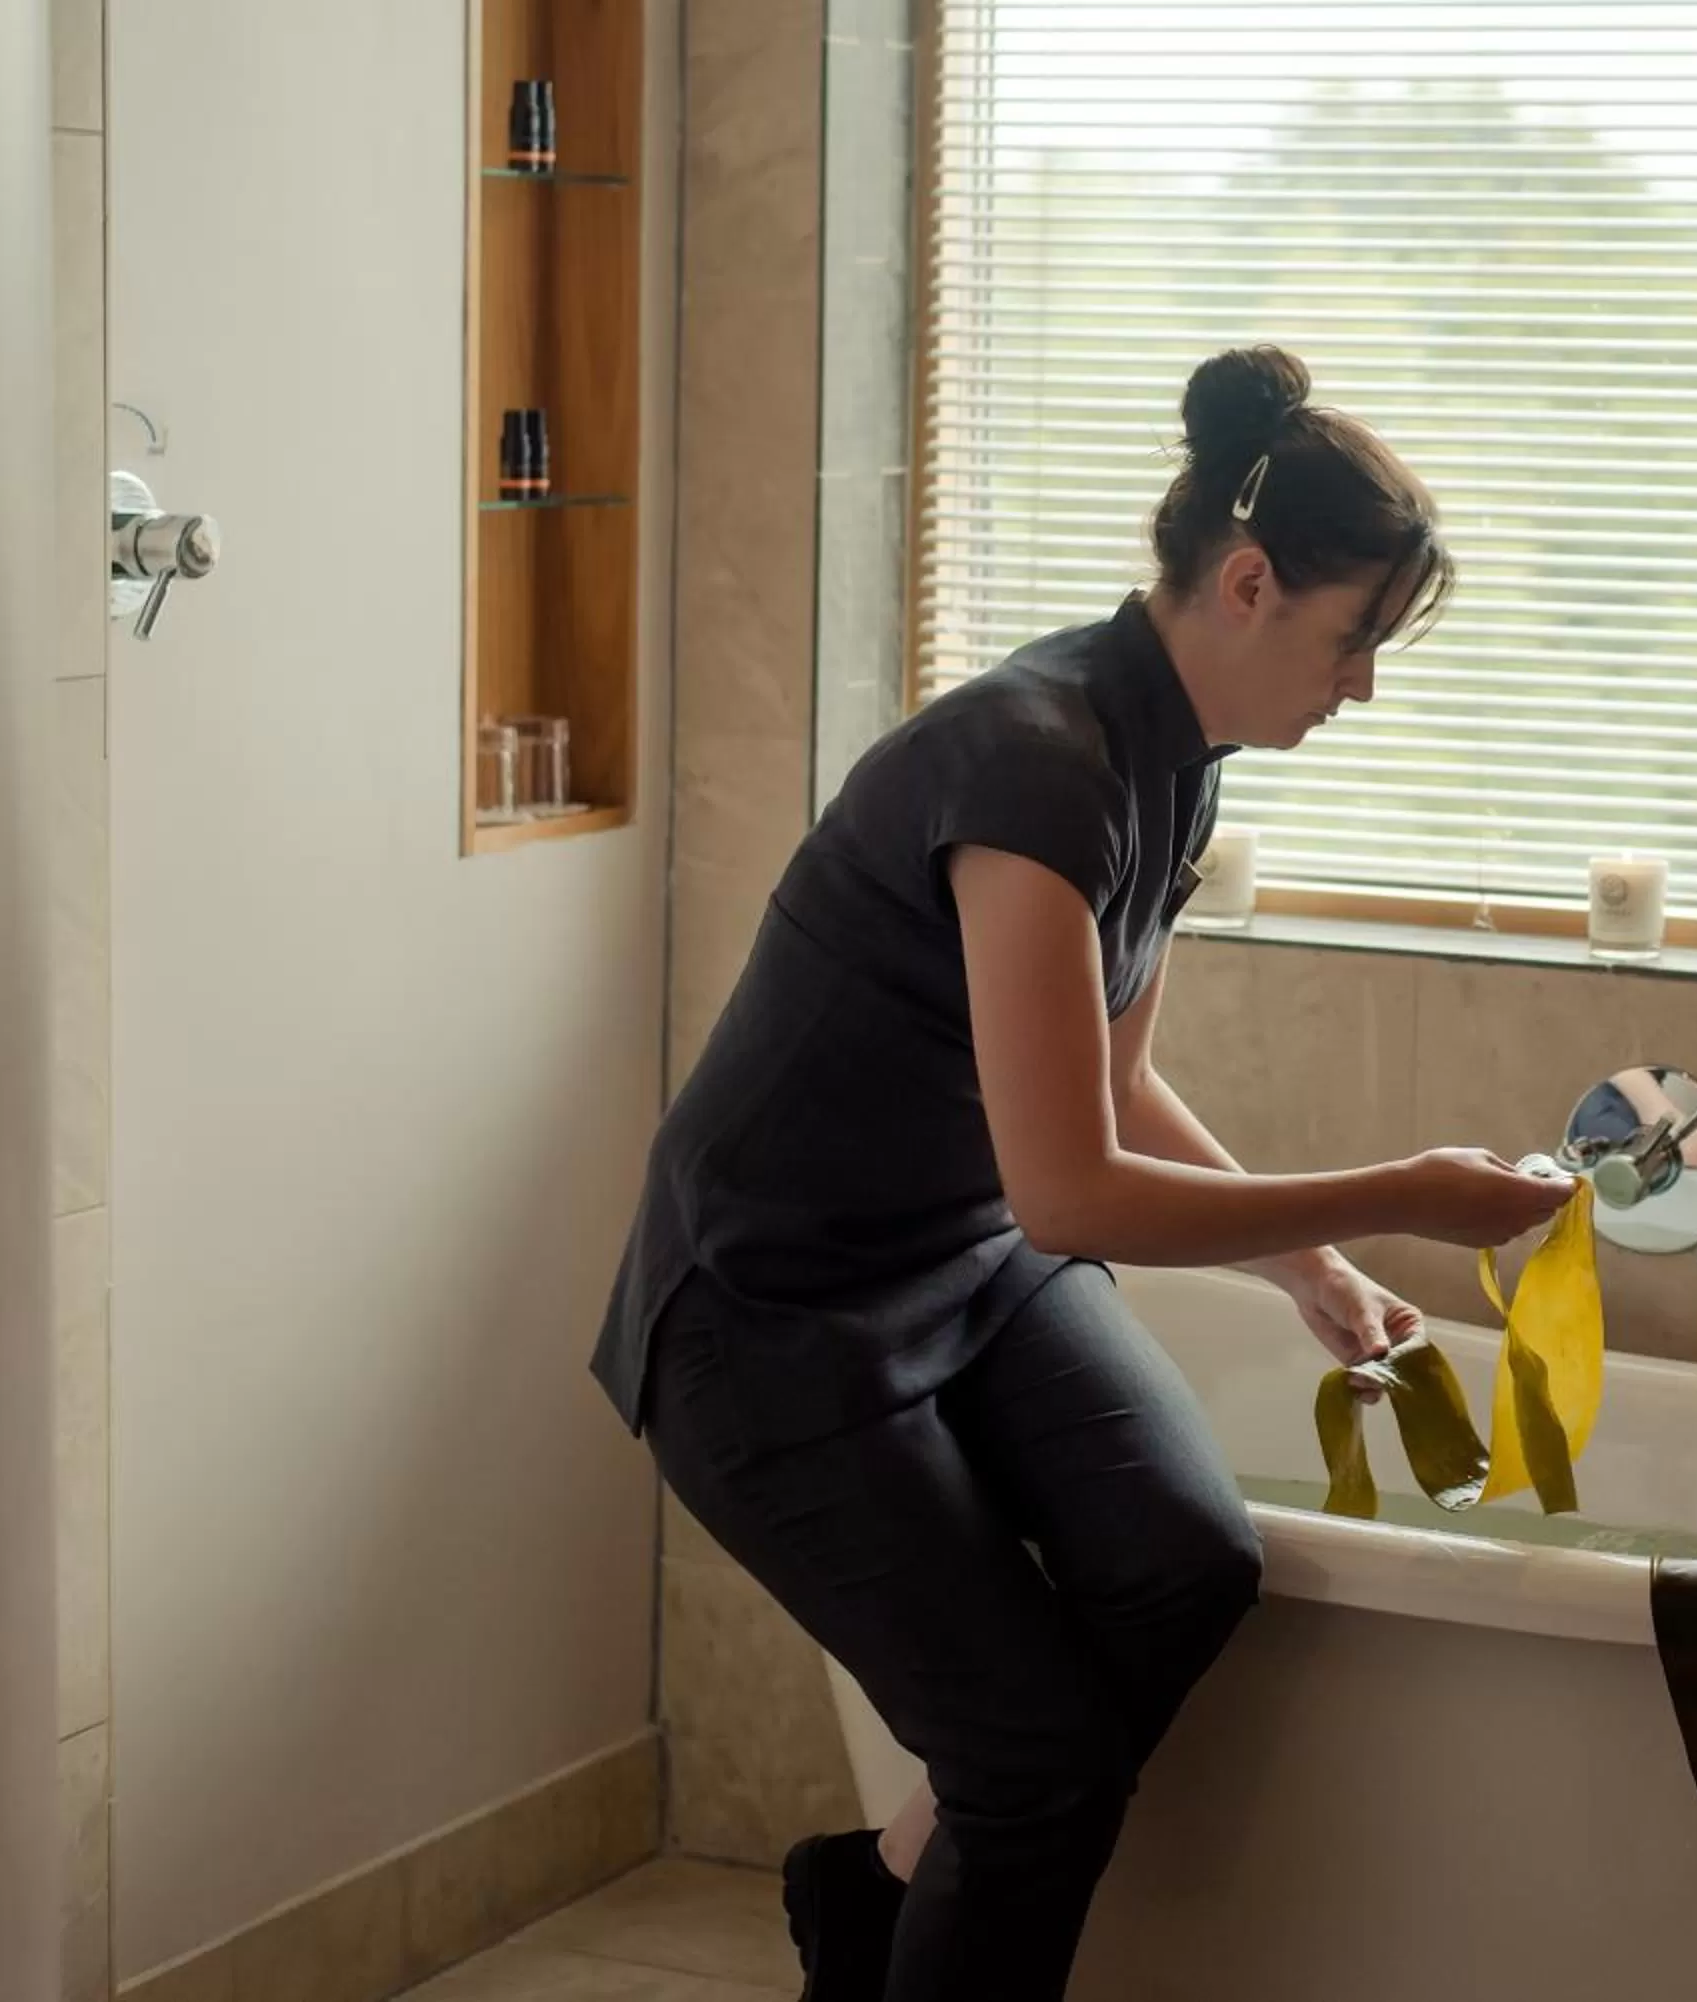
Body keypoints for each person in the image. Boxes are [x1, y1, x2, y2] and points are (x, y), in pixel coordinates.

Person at [588, 345, 1569, 2002]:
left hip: (967, 1265)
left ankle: (876, 1894)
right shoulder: (1028, 763)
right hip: (769, 1317)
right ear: (1247, 584)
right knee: (1040, 1769)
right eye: (1354, 644)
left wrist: (1313, 1276)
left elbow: (1109, 1087)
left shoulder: (1170, 765)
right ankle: (902, 1911)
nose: (1362, 691)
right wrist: (1392, 1190)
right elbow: (1076, 1193)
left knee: (1190, 1559)